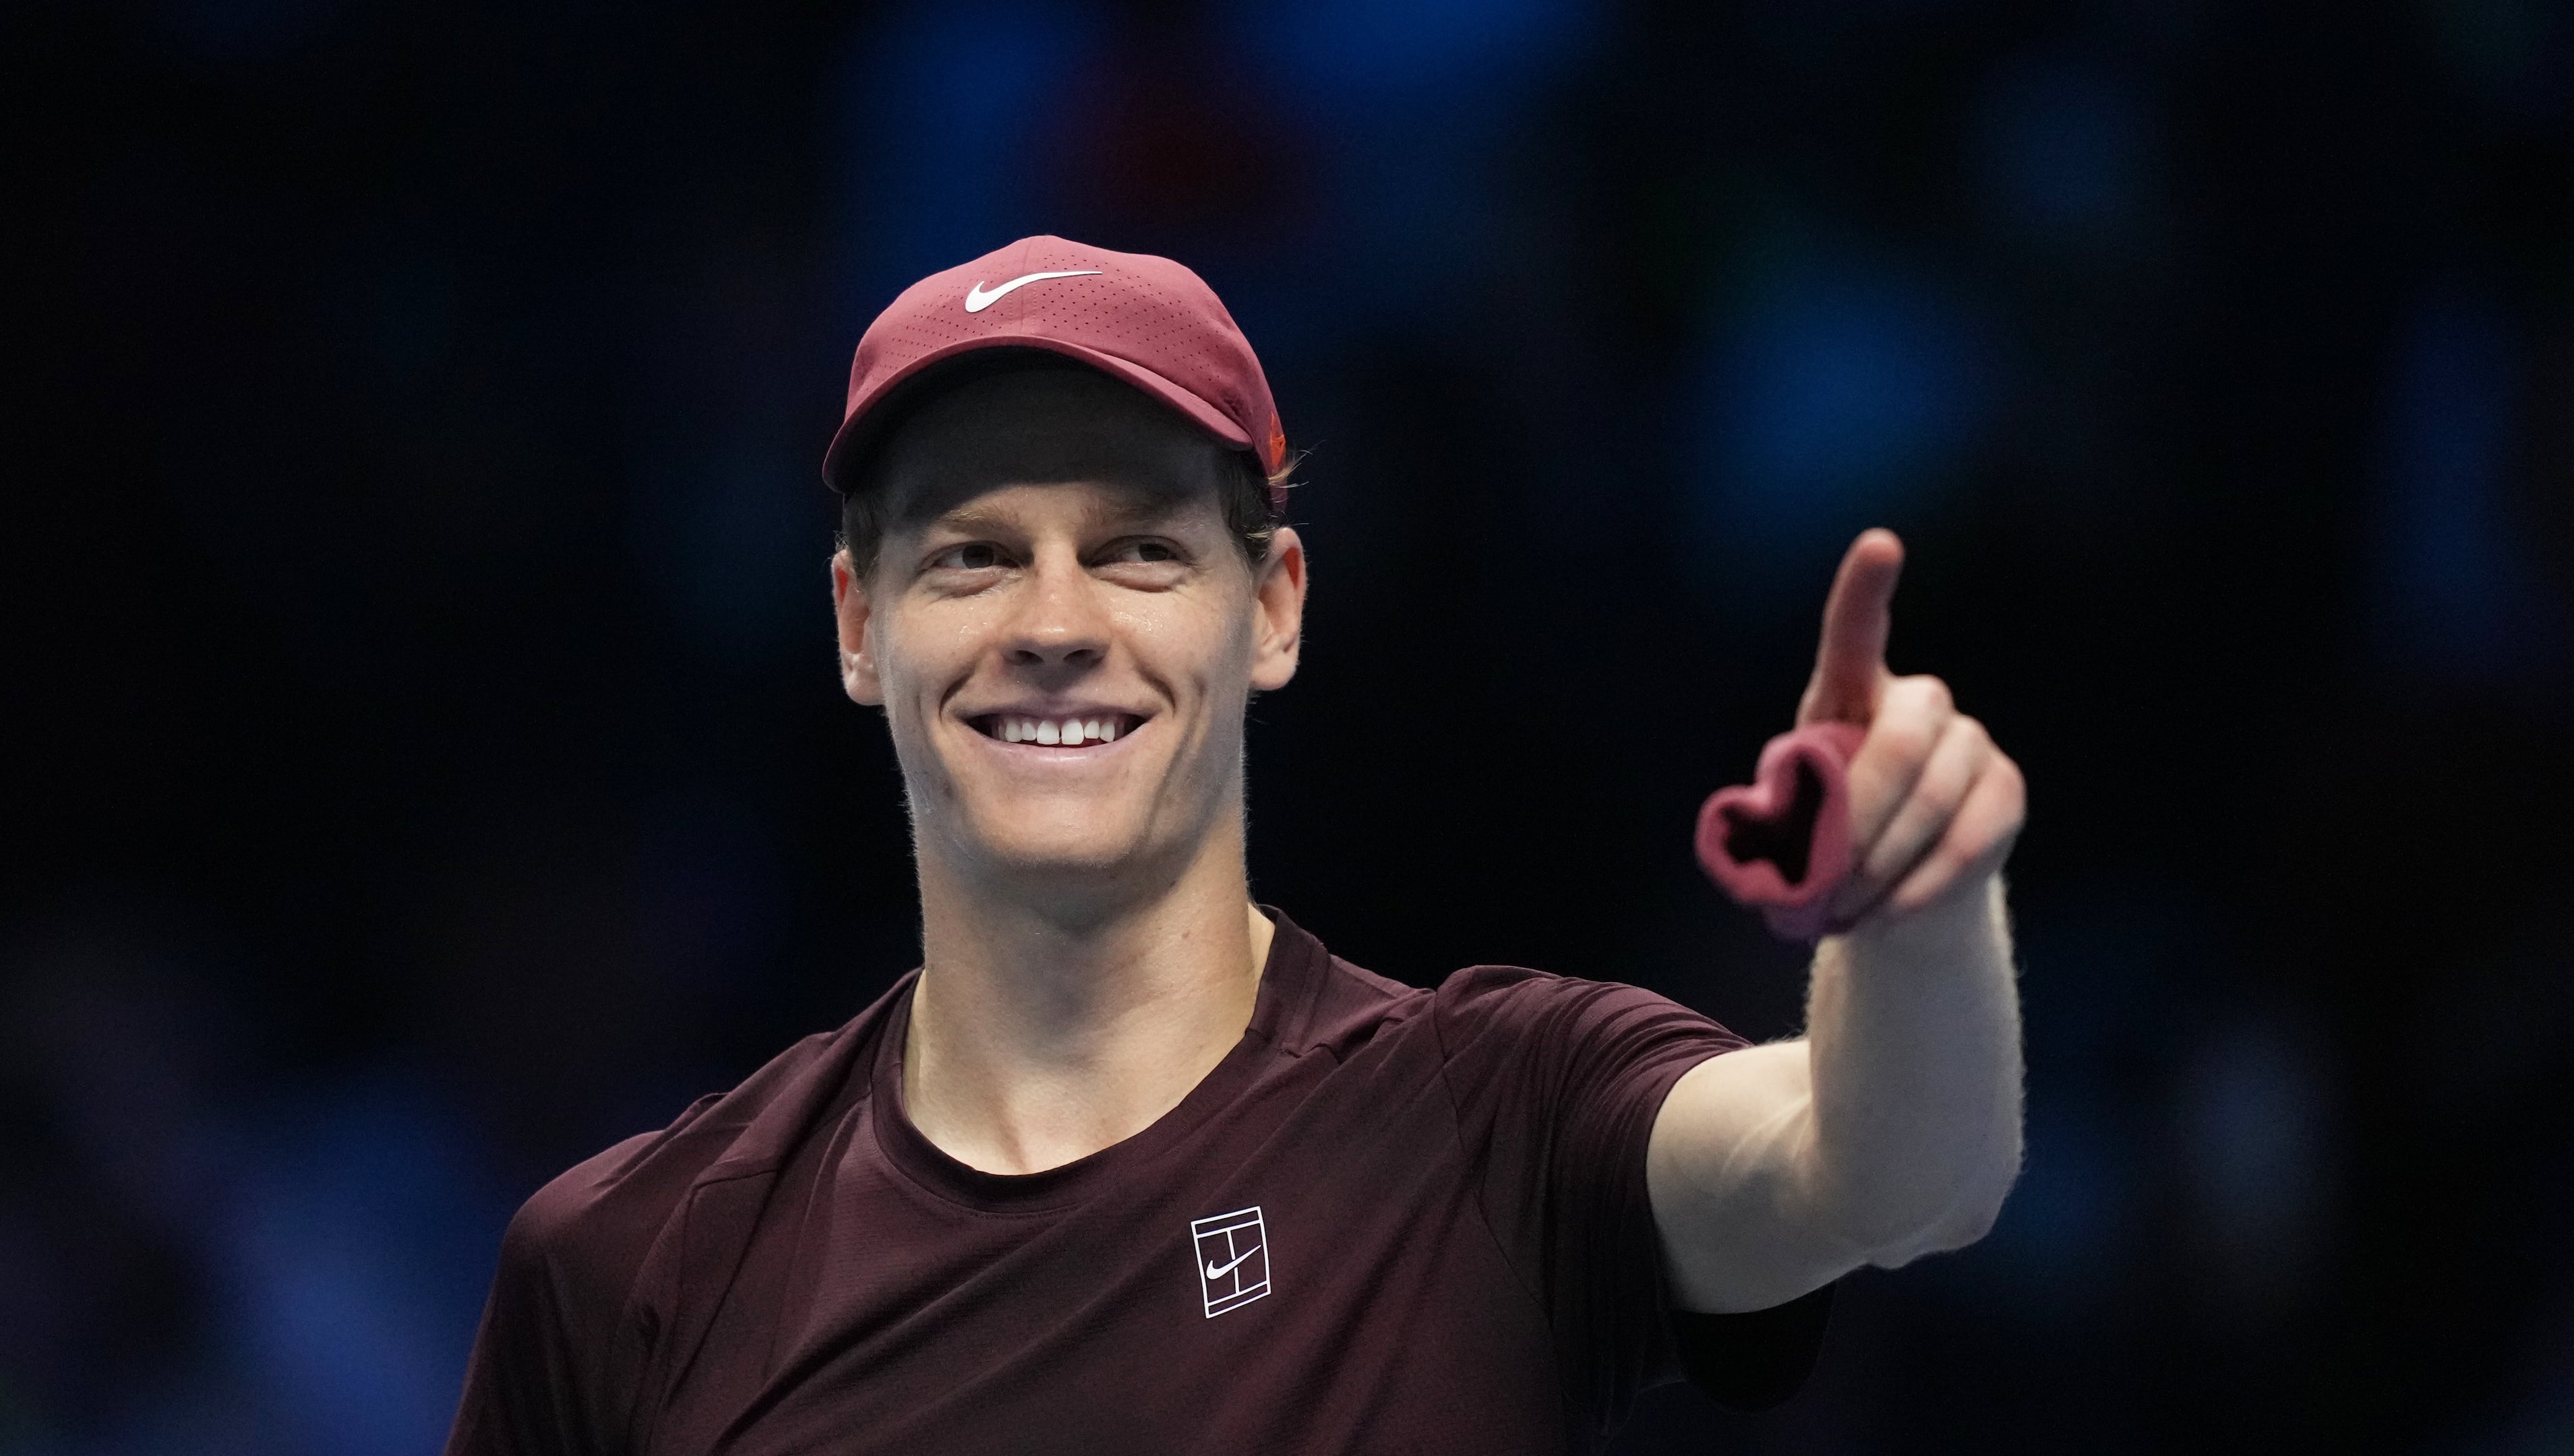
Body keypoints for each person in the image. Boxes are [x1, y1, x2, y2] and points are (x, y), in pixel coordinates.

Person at [443, 237, 2027, 1455]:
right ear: (861, 624)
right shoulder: (630, 1264)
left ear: (1270, 607)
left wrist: (1918, 907)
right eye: (974, 556)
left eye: (1136, 550)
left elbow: (1891, 1173)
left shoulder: (1493, 1117)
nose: (1055, 625)